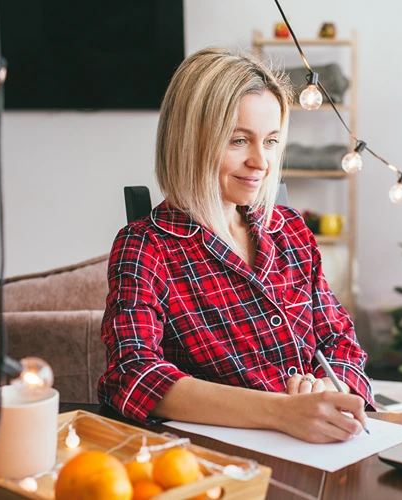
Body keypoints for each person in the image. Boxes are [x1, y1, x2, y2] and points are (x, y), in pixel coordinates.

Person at [98, 48, 374, 444]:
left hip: (319, 443)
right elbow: (132, 374)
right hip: (220, 456)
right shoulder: (146, 246)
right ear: (190, 140)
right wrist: (282, 412)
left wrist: (333, 395)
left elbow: (341, 341)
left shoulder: (291, 231)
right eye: (239, 140)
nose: (260, 162)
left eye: (271, 141)